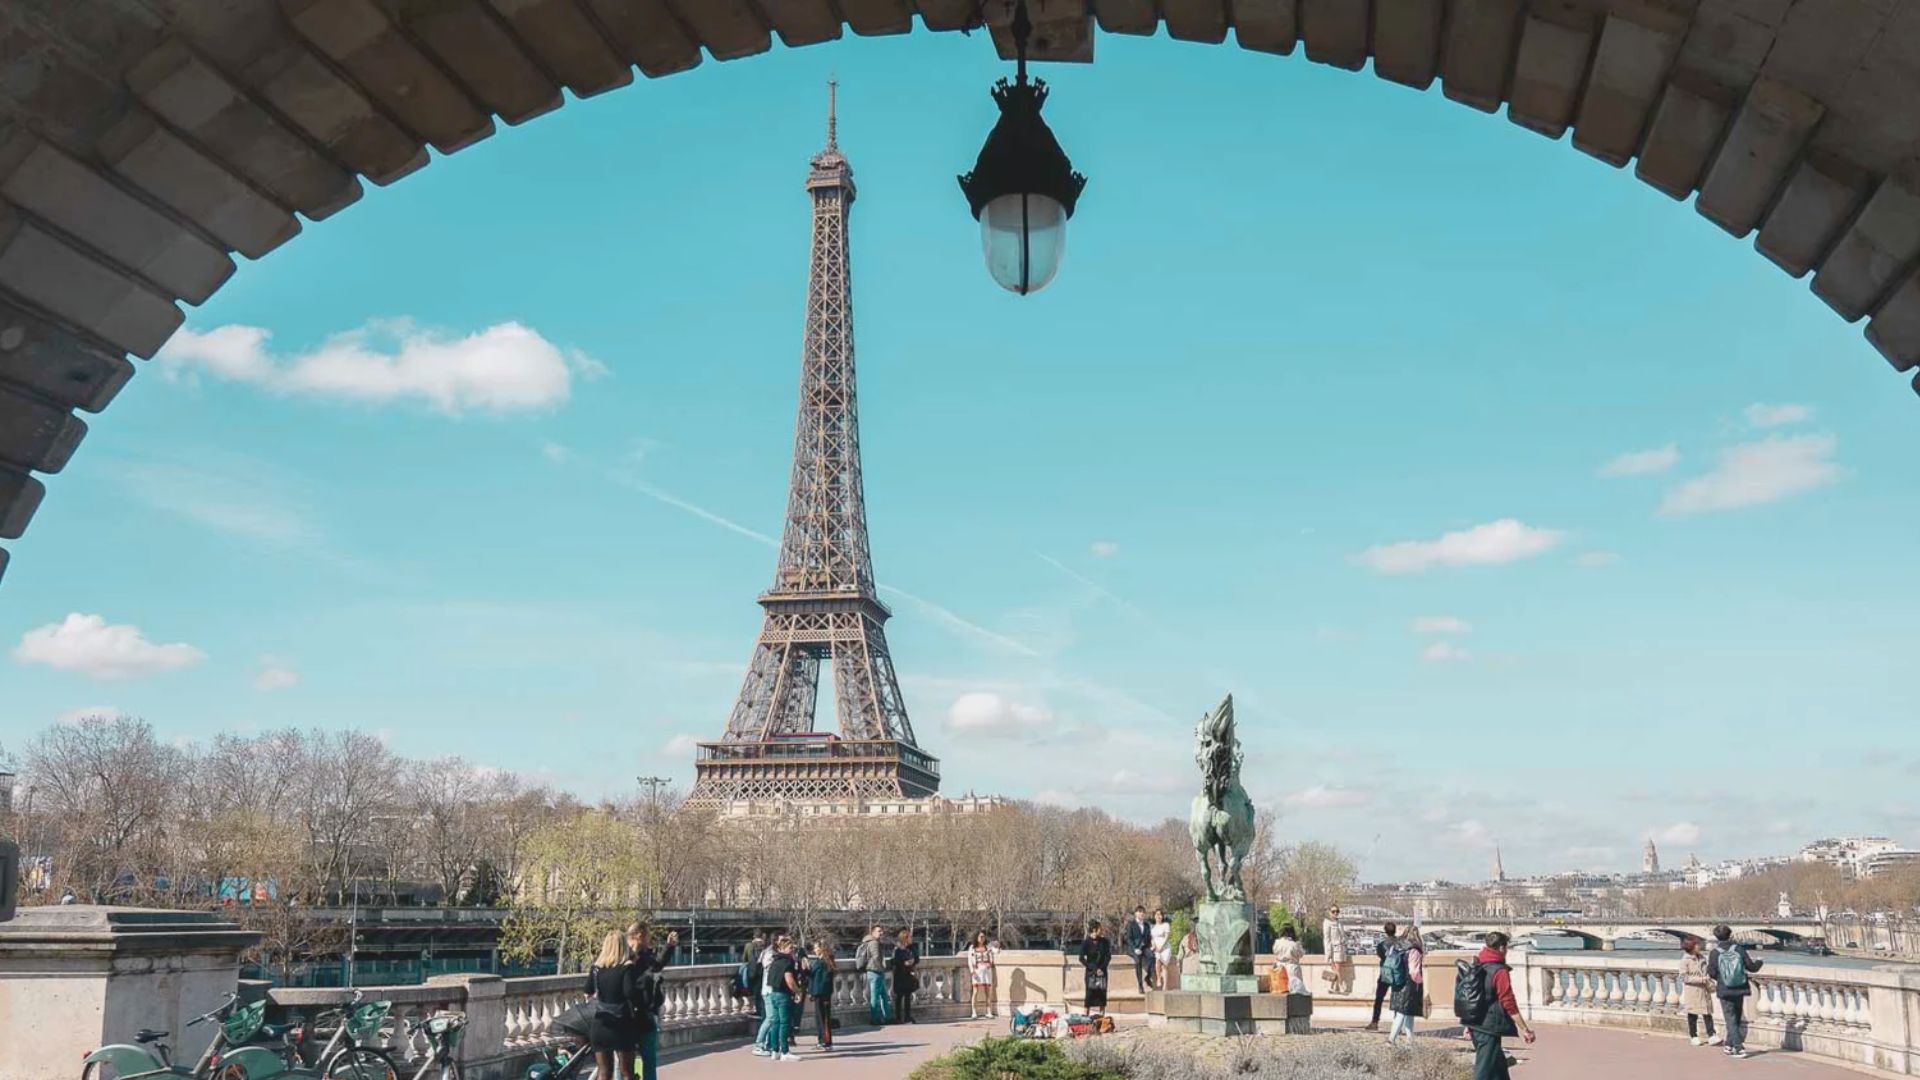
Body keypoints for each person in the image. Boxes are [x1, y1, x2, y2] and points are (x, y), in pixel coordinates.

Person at [1464, 931, 1536, 1080]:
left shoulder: (1477, 965)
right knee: (1483, 1071)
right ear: (1502, 948)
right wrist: (1525, 1029)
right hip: (1488, 1027)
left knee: (1499, 1069)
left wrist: (1467, 1024)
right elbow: (1508, 1001)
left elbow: (1471, 998)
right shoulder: (1499, 971)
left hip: (1476, 1024)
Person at [624, 924, 676, 1079]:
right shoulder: (627, 957)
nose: (649, 938)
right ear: (639, 935)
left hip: (639, 1014)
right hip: (637, 1014)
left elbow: (657, 965)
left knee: (630, 1062)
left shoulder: (640, 955)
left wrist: (669, 947)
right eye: (647, 935)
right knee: (636, 1062)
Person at [585, 932, 637, 1080]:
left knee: (604, 1071)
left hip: (600, 1024)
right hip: (621, 1023)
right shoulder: (627, 968)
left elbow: (588, 990)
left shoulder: (596, 968)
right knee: (627, 1071)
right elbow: (629, 993)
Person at [1707, 923, 1763, 1059]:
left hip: (1725, 989)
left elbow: (1711, 972)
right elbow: (1751, 967)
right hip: (1740, 988)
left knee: (1730, 1019)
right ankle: (1730, 1045)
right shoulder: (1739, 949)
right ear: (1730, 935)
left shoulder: (1714, 953)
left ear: (1716, 937)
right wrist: (1760, 962)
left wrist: (1723, 979)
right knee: (1736, 1017)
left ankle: (1737, 1047)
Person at [753, 934, 800, 1061]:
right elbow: (789, 980)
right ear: (785, 948)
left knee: (775, 1023)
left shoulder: (774, 960)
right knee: (784, 1023)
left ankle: (775, 1050)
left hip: (772, 992)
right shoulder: (787, 962)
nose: (792, 951)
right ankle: (784, 1051)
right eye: (790, 948)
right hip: (783, 994)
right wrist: (798, 991)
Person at [1386, 927, 1425, 1049]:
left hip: (1397, 981)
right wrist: (1422, 981)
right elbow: (1414, 971)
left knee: (1407, 1012)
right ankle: (1391, 1039)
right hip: (1409, 984)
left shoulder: (1395, 946)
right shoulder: (1414, 950)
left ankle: (1410, 1040)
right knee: (1403, 1013)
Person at [1680, 936, 1721, 1046]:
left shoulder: (1702, 958)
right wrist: (1700, 979)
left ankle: (1712, 1035)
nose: (1699, 946)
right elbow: (1684, 978)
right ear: (1691, 947)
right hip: (1693, 991)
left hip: (1704, 990)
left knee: (1707, 1013)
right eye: (1697, 944)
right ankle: (1693, 1035)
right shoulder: (1685, 961)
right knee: (1693, 1014)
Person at [854, 925, 892, 1026]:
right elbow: (876, 957)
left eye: (882, 931)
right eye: (879, 931)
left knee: (883, 995)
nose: (881, 933)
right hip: (875, 971)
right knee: (875, 996)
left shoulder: (869, 942)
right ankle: (875, 1018)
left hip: (874, 971)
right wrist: (881, 968)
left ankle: (887, 1017)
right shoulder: (874, 942)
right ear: (873, 932)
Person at [1368, 921, 1399, 1030]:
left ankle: (1375, 1022)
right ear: (1395, 930)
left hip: (1385, 974)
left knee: (1379, 999)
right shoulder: (1401, 943)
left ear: (1385, 931)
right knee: (1397, 999)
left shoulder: (1381, 945)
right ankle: (1397, 1024)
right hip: (1398, 974)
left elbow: (1381, 957)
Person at [1080, 918, 1113, 1016]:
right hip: (1091, 972)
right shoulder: (1086, 942)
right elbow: (1081, 958)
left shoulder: (1104, 942)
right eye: (1099, 929)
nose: (1101, 931)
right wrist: (1093, 969)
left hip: (1102, 972)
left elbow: (1108, 957)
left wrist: (1101, 968)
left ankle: (1101, 1018)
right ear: (1094, 930)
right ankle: (1086, 1017)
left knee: (1102, 996)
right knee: (1089, 996)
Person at [807, 939, 836, 1051]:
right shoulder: (826, 960)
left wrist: (814, 992)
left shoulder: (822, 962)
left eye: (816, 947)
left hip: (821, 993)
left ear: (821, 948)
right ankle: (824, 1041)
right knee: (823, 1018)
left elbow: (819, 979)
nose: (814, 949)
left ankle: (825, 1042)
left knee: (822, 1018)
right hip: (824, 993)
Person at [890, 928, 920, 1024]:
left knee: (908, 996)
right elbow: (893, 961)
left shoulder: (912, 948)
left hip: (909, 975)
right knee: (899, 997)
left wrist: (913, 961)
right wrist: (903, 963)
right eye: (910, 937)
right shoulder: (897, 949)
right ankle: (898, 1017)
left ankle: (907, 1016)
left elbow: (917, 958)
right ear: (905, 938)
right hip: (900, 974)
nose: (911, 939)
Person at [966, 931, 998, 1019]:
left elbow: (996, 951)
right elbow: (969, 961)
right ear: (977, 937)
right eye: (980, 936)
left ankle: (988, 1011)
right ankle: (974, 1012)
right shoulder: (972, 948)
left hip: (987, 972)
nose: (982, 938)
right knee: (975, 992)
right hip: (977, 971)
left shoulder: (988, 947)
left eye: (983, 936)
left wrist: (996, 946)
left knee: (988, 992)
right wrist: (972, 971)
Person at [1124, 905, 1155, 993]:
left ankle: (1148, 977)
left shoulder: (1146, 925)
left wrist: (1151, 946)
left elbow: (1148, 938)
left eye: (1142, 912)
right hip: (1134, 947)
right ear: (1135, 913)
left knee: (1152, 957)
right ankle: (1140, 985)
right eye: (1139, 911)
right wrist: (1134, 948)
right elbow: (1128, 938)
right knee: (1138, 961)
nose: (1141, 913)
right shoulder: (1131, 924)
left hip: (1144, 947)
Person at [1323, 905, 1353, 995]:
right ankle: (1341, 986)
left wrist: (1345, 940)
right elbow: (1327, 939)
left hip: (1340, 949)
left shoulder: (1339, 923)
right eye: (1333, 911)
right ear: (1329, 912)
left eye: (1337, 911)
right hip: (1333, 949)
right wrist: (1328, 953)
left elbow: (1343, 936)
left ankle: (1333, 987)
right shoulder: (1327, 923)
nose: (1335, 913)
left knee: (1336, 968)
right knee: (1336, 968)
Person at [1272, 923, 1306, 996]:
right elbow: (1301, 954)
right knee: (1296, 990)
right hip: (1292, 967)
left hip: (1279, 967)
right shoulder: (1294, 944)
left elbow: (1275, 951)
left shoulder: (1277, 942)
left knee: (1282, 989)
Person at [1150, 910, 1172, 992]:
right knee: (1157, 961)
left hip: (1165, 947)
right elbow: (1152, 938)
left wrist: (1162, 947)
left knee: (1164, 966)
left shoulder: (1166, 925)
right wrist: (1154, 946)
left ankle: (1165, 986)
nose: (1159, 916)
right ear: (1154, 916)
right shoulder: (1152, 927)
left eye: (1160, 915)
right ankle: (1159, 978)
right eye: (1157, 915)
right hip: (1157, 947)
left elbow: (1167, 937)